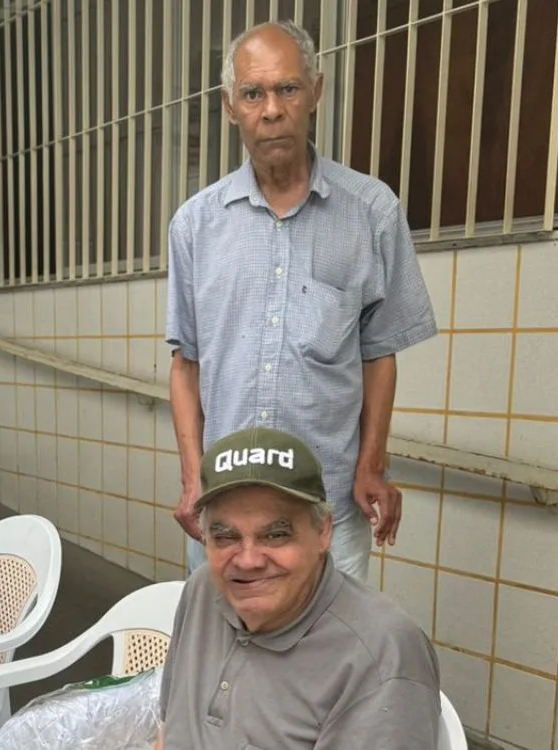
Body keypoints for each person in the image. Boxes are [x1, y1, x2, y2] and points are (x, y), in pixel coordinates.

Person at [165, 20, 438, 580]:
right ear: (229, 106)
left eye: (287, 88)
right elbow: (185, 363)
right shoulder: (195, 225)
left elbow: (378, 353)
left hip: (327, 505)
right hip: (225, 503)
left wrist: (372, 465)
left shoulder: (371, 211)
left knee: (333, 658)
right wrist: (193, 477)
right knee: (221, 657)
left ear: (316, 90)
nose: (271, 109)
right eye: (252, 93)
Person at [155, 426, 441, 749]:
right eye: (225, 536)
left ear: (323, 533)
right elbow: (167, 735)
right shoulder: (203, 590)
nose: (247, 561)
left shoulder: (382, 655)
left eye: (275, 534)